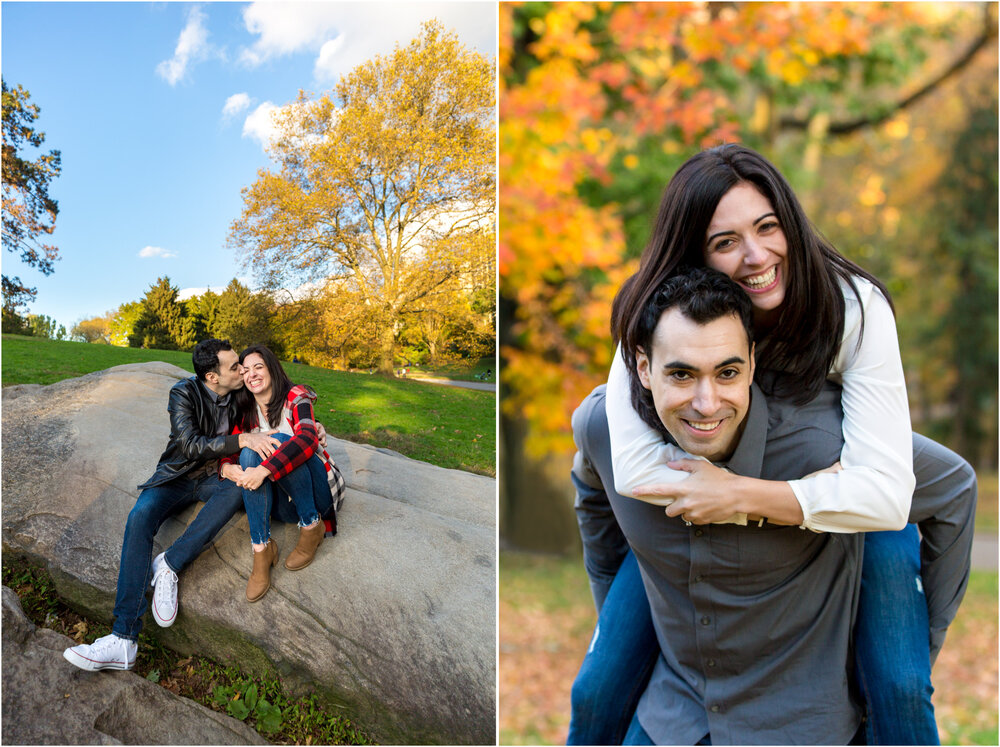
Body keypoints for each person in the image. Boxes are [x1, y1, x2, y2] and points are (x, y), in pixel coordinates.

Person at [570, 144, 976, 745]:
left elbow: (896, 492)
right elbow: (627, 469)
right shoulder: (660, 325)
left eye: (767, 227)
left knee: (898, 684)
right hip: (694, 512)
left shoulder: (851, 310)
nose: (756, 255)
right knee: (597, 687)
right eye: (725, 241)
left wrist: (741, 496)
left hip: (861, 487)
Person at [576, 268, 865, 744]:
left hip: (800, 727)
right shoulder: (600, 426)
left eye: (727, 373)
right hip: (675, 717)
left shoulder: (824, 438)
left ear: (753, 363)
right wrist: (614, 608)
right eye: (682, 374)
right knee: (593, 692)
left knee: (902, 687)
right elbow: (592, 498)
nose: (706, 404)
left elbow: (950, 486)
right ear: (643, 369)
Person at [63, 339, 281, 671]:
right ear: (212, 377)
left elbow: (278, 404)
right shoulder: (183, 393)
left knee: (240, 490)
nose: (242, 370)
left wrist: (312, 425)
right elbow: (189, 444)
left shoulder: (241, 392)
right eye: (234, 366)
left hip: (215, 477)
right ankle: (123, 640)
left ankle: (169, 564)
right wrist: (242, 441)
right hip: (176, 477)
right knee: (139, 517)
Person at [219, 344, 344, 602]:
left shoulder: (296, 397)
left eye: (259, 367)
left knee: (281, 440)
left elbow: (308, 438)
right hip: (281, 504)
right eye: (246, 370)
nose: (252, 374)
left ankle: (312, 527)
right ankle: (262, 549)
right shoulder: (244, 410)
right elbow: (228, 450)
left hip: (315, 495)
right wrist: (226, 467)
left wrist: (263, 470)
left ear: (272, 369)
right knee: (248, 450)